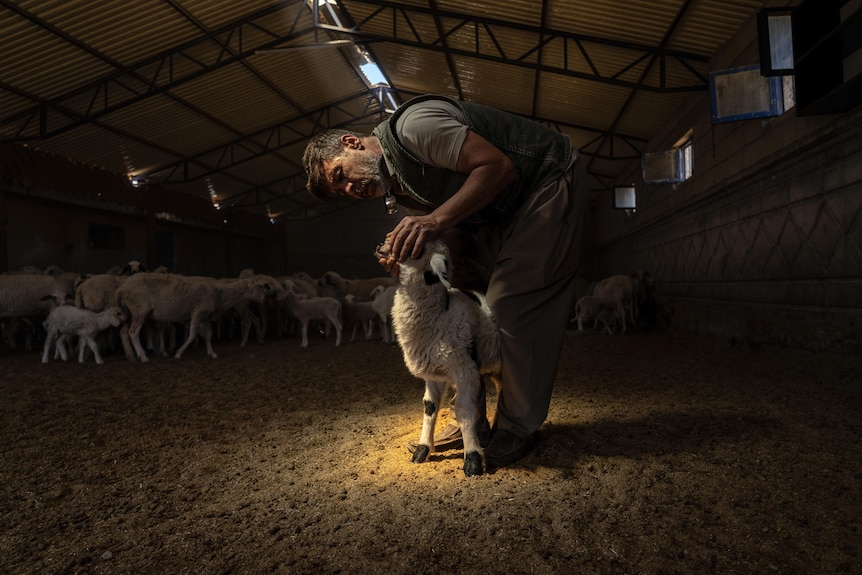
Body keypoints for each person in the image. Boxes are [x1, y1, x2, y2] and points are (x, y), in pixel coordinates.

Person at [302, 94, 588, 468]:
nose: (350, 189)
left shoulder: (413, 129)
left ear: (351, 143)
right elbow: (455, 237)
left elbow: (497, 167)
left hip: (545, 181)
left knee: (507, 305)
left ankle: (517, 425)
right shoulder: (400, 186)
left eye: (341, 175)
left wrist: (432, 222)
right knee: (463, 288)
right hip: (497, 213)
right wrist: (412, 259)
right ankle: (472, 417)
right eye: (342, 192)